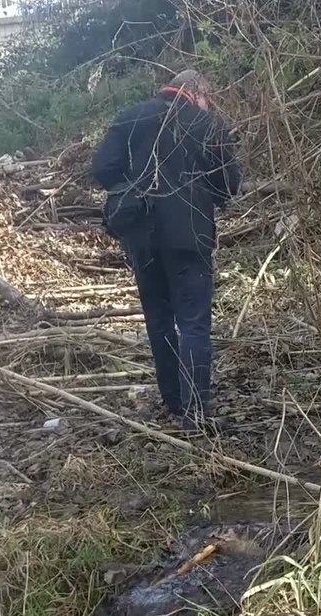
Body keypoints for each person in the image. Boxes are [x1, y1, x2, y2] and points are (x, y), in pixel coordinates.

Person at [91, 70, 242, 432]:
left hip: (141, 236)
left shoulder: (131, 116)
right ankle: (195, 414)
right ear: (197, 94)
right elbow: (229, 182)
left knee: (159, 320)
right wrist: (205, 194)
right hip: (190, 235)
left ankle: (173, 402)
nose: (207, 105)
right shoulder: (207, 123)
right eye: (207, 99)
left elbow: (101, 168)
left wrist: (132, 190)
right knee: (193, 324)